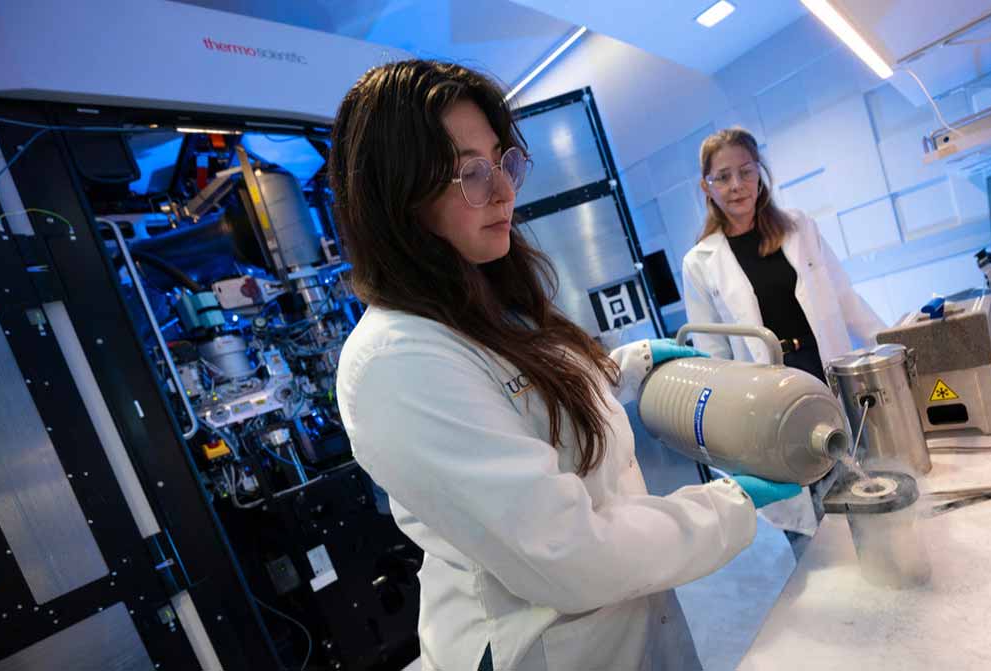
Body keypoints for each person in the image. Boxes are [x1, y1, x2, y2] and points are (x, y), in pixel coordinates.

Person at [332, 61, 802, 671]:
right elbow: (567, 554)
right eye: (471, 172)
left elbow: (524, 404)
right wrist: (729, 504)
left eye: (502, 162)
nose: (503, 191)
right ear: (396, 199)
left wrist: (626, 368)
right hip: (543, 646)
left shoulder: (485, 298)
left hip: (628, 620)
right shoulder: (394, 364)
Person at [682, 127, 885, 378]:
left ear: (759, 173)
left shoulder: (799, 226)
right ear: (707, 187)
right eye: (723, 177)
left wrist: (891, 346)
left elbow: (845, 299)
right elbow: (713, 353)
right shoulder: (698, 263)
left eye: (745, 172)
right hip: (766, 382)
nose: (737, 185)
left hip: (824, 363)